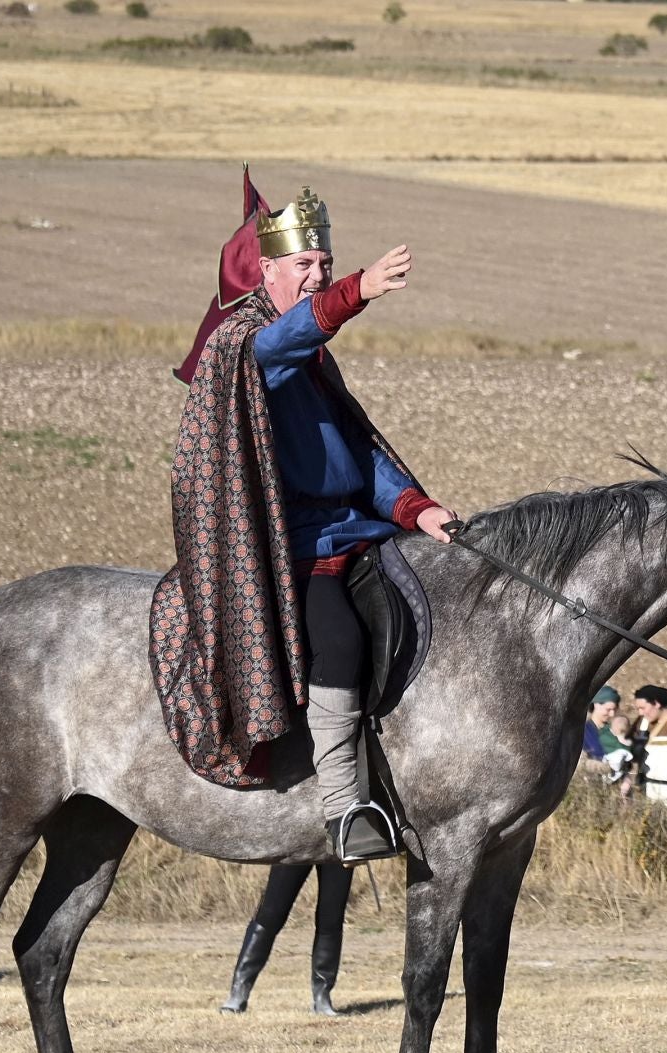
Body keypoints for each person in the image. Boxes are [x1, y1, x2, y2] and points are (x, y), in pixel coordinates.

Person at [150, 180, 459, 863]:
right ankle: (345, 807)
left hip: (358, 530)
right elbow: (288, 337)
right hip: (295, 545)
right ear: (265, 271)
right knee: (341, 641)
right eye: (305, 266)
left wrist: (416, 507)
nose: (316, 275)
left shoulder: (312, 355)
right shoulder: (245, 346)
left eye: (324, 264)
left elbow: (351, 453)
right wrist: (355, 290)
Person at [221, 862, 354, 1015]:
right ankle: (238, 994)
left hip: (338, 846)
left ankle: (322, 998)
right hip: (297, 844)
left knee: (331, 918)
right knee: (271, 913)